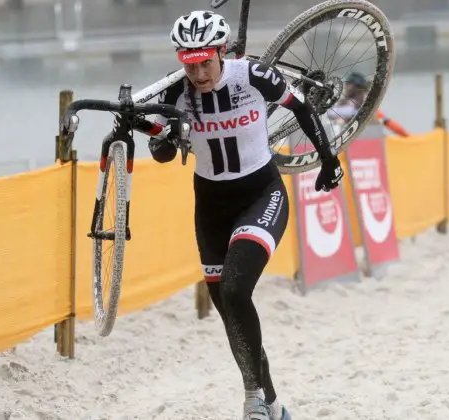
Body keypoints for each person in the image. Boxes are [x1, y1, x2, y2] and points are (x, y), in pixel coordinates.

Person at [107, 10, 344, 420]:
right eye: (190, 64)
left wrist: (327, 159)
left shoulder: (251, 75)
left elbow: (303, 107)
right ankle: (272, 402)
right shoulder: (176, 91)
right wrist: (148, 129)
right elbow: (164, 154)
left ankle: (252, 399)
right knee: (227, 306)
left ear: (221, 52)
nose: (198, 73)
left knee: (236, 291)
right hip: (211, 205)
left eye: (206, 62)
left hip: (261, 193)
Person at [328, 71, 410, 137]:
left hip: (367, 136)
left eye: (350, 84)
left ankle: (408, 138)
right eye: (347, 84)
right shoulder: (344, 101)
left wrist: (406, 136)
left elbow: (384, 119)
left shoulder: (364, 98)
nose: (347, 87)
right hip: (350, 137)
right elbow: (333, 114)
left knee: (378, 115)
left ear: (357, 86)